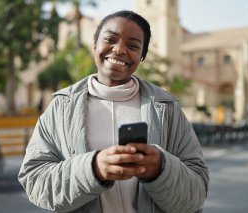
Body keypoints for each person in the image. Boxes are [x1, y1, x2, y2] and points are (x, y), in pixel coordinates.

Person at [18, 10, 209, 213]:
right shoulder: (61, 107)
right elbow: (34, 179)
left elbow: (196, 191)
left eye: (133, 45)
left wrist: (160, 168)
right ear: (94, 45)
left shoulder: (167, 107)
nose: (119, 50)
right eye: (110, 39)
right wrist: (93, 169)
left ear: (142, 56)